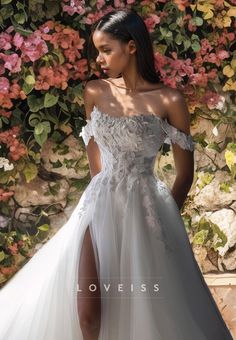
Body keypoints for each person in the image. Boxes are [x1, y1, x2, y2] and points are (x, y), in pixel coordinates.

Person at [0, 8, 233, 340]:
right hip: (96, 206)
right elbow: (96, 161)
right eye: (98, 50)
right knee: (88, 313)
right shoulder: (95, 92)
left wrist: (161, 220)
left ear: (132, 47)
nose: (99, 59)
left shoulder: (169, 100)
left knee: (144, 306)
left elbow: (184, 175)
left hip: (145, 209)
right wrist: (100, 203)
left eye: (106, 49)